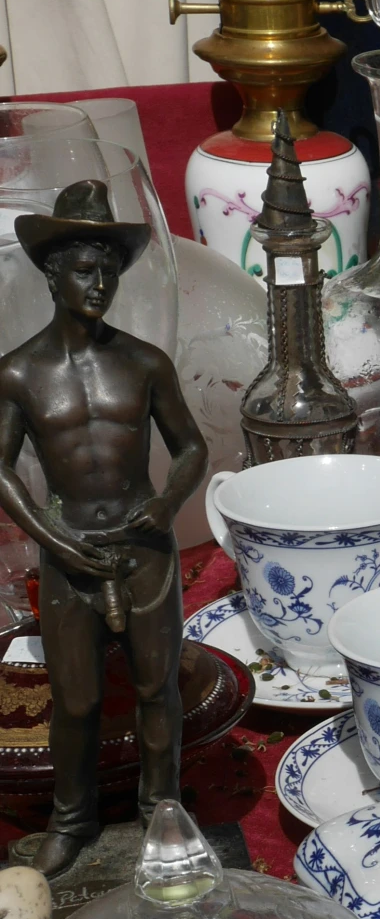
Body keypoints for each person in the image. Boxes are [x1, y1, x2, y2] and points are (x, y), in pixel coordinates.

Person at [0, 181, 207, 876]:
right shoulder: (19, 373)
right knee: (77, 699)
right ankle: (72, 818)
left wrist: (167, 501)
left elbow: (192, 447)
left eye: (109, 272)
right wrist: (52, 541)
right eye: (84, 272)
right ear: (52, 276)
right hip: (69, 555)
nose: (100, 285)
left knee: (158, 689)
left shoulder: (145, 363)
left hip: (144, 551)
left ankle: (162, 811)